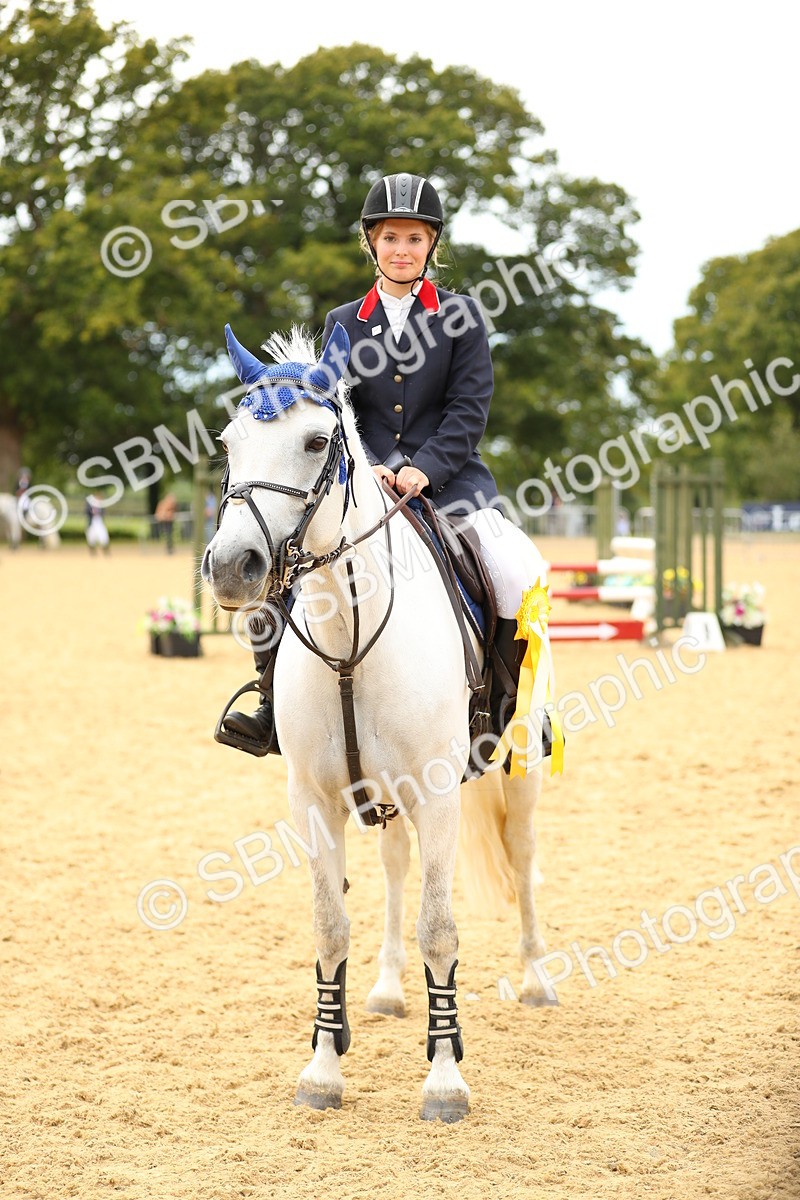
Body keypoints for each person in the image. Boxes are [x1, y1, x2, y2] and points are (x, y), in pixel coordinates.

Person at [221, 172, 549, 757]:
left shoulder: (463, 316)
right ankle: (269, 704)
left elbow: (469, 409)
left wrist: (425, 467)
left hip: (451, 482)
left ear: (431, 245)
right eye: (391, 238)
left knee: (511, 567)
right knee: (285, 570)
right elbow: (335, 412)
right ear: (371, 242)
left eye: (414, 239)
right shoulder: (342, 322)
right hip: (361, 484)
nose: (402, 250)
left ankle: (508, 707)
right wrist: (370, 465)